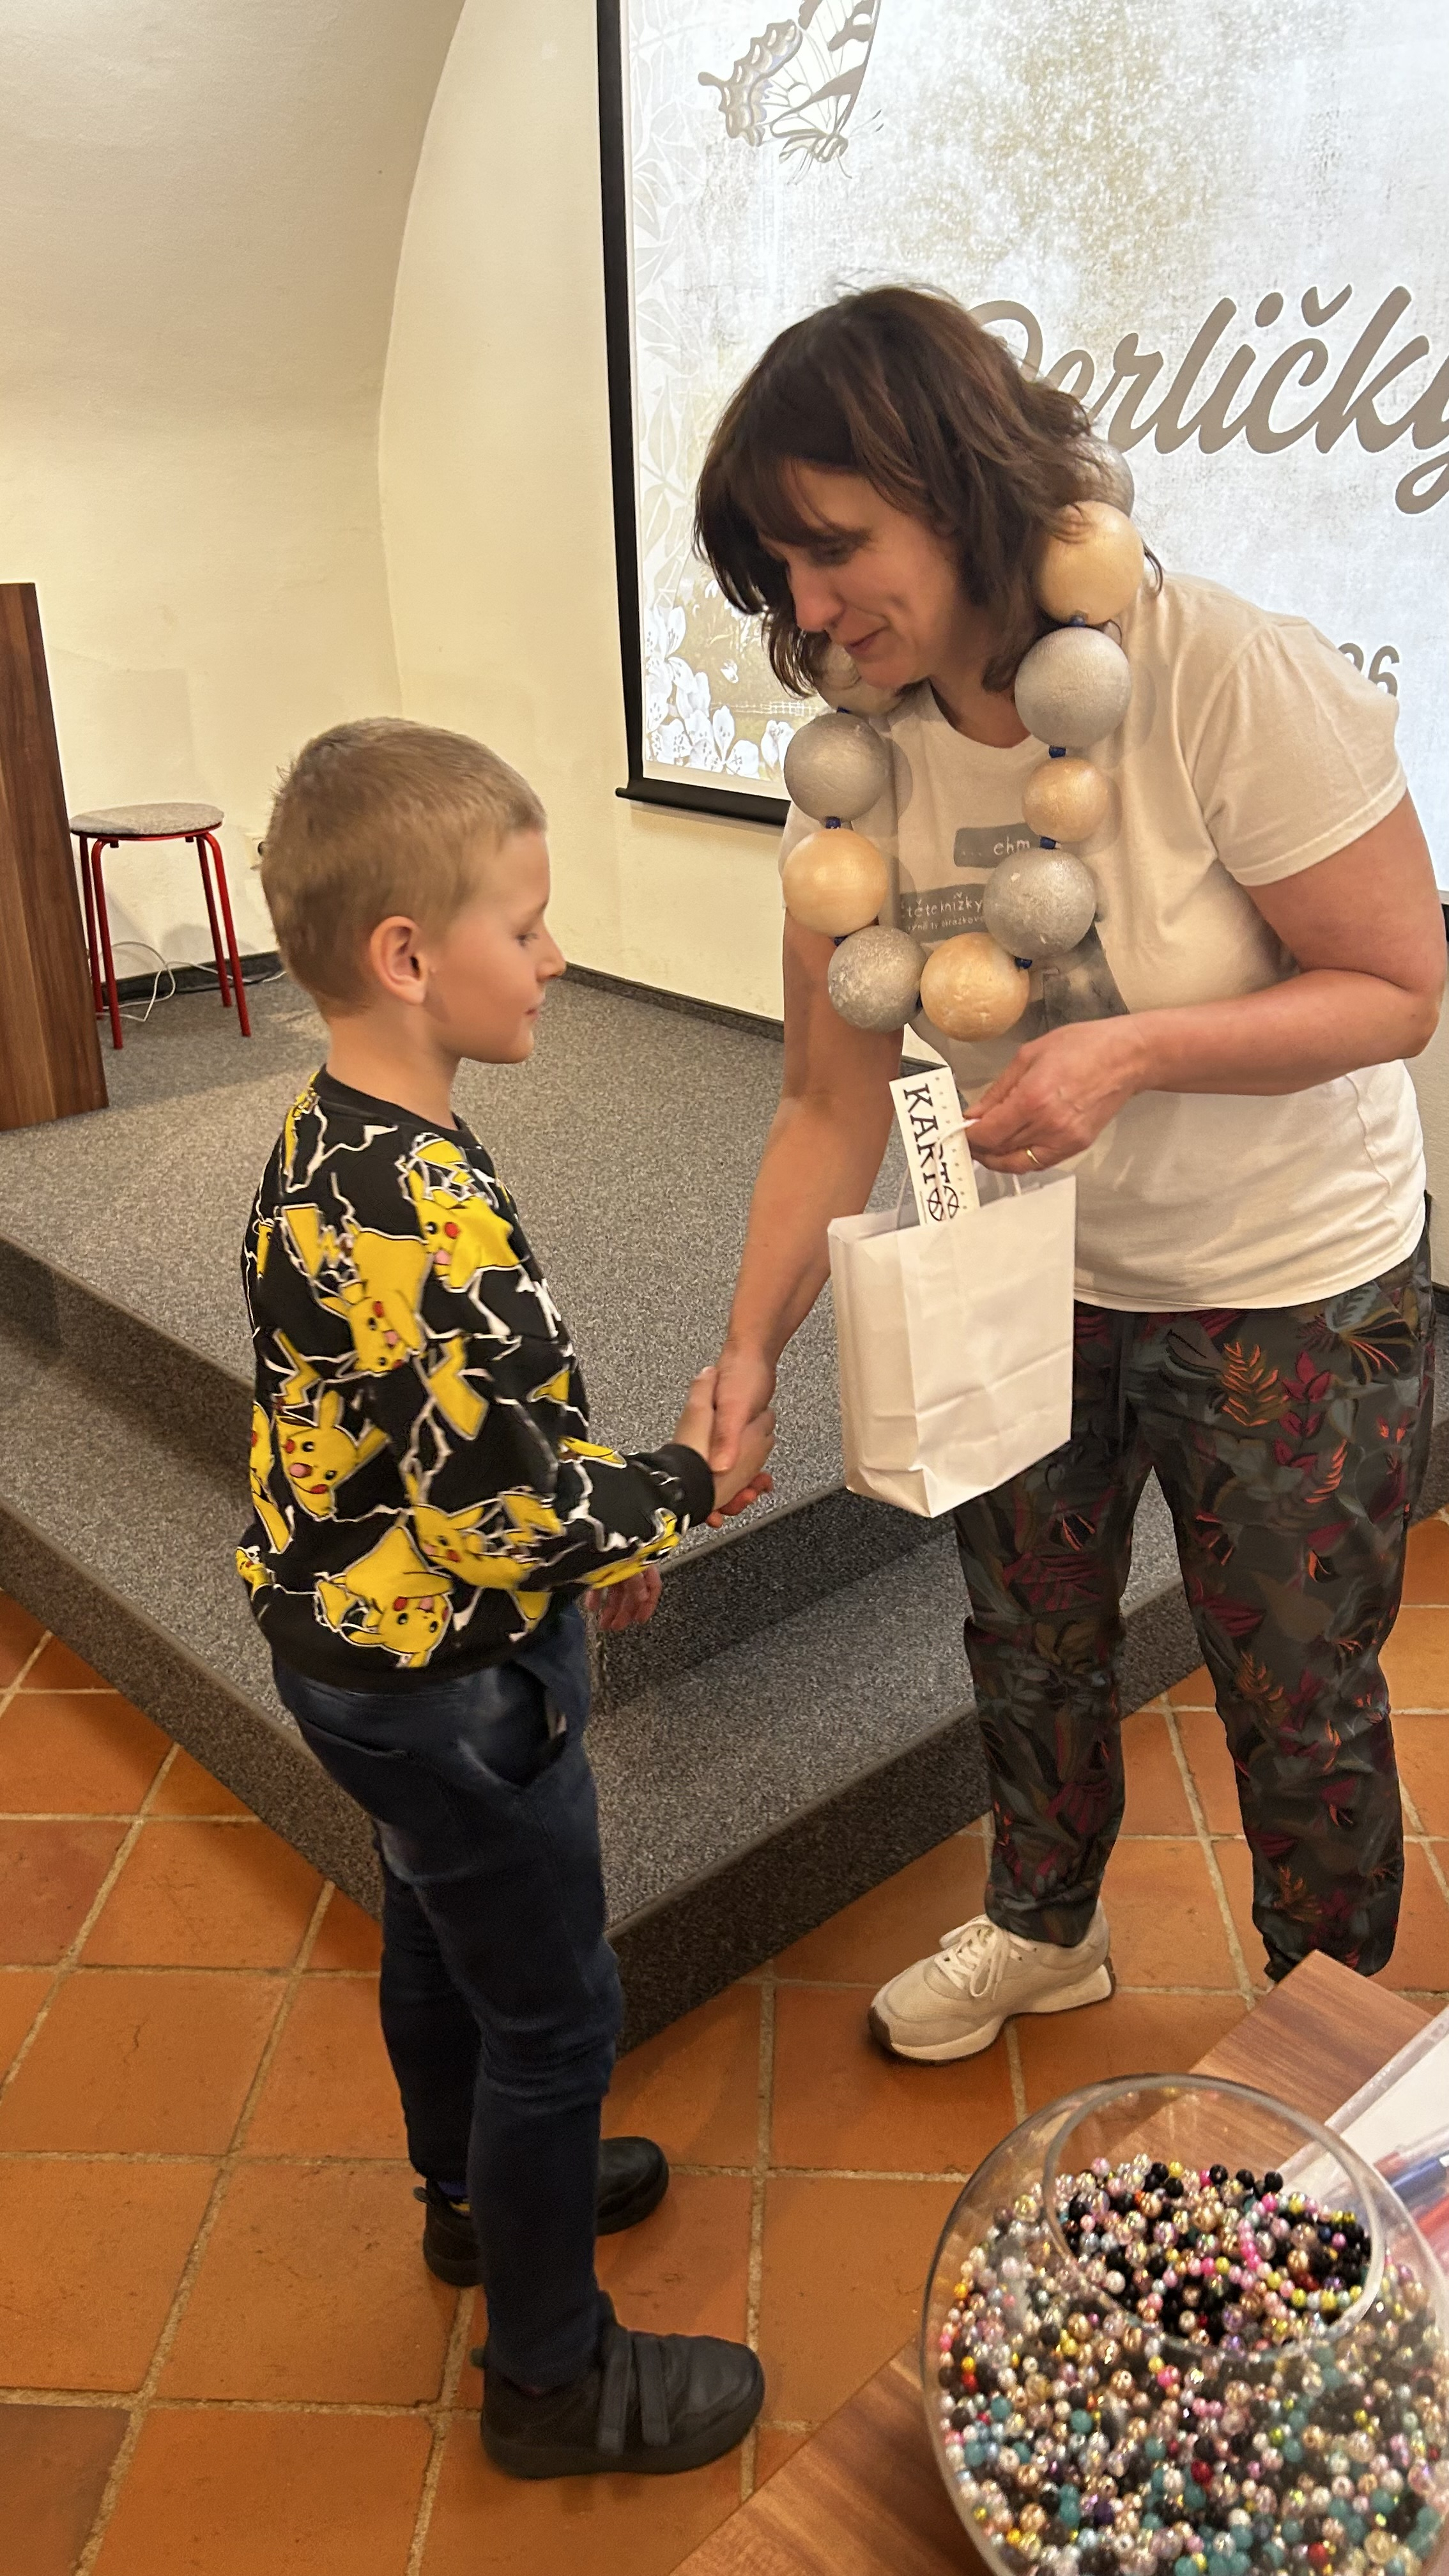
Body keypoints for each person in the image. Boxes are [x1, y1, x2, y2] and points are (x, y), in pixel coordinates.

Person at [694, 284, 1445, 2060]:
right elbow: (826, 1100)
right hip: (1030, 1276)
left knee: (1297, 1696)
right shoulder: (854, 761)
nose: (808, 610)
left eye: (833, 549)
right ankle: (1045, 1927)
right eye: (775, 571)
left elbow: (1400, 986)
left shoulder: (1215, 669)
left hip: (1286, 1281)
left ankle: (1328, 2040)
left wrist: (1131, 1050)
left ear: (960, 488)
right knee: (1027, 1639)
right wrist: (746, 1352)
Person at [237, 718, 773, 2478]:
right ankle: (552, 2381)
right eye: (526, 926)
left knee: (432, 1924)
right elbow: (503, 1515)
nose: (553, 958)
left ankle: (471, 2196)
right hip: (453, 1686)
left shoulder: (328, 1146)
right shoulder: (433, 1212)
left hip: (351, 1650)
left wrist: (587, 1539)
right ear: (409, 956)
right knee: (554, 2016)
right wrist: (680, 1485)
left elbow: (441, 1437)